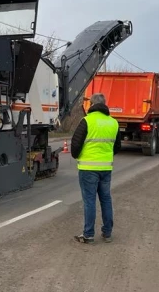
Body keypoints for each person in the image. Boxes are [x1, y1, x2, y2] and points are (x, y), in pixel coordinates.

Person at [70, 93, 120, 243]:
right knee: (106, 199)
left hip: (88, 168)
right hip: (106, 169)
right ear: (105, 104)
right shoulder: (113, 123)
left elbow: (76, 144)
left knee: (89, 201)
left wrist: (77, 156)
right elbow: (117, 147)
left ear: (91, 104)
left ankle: (89, 234)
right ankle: (107, 233)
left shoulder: (86, 121)